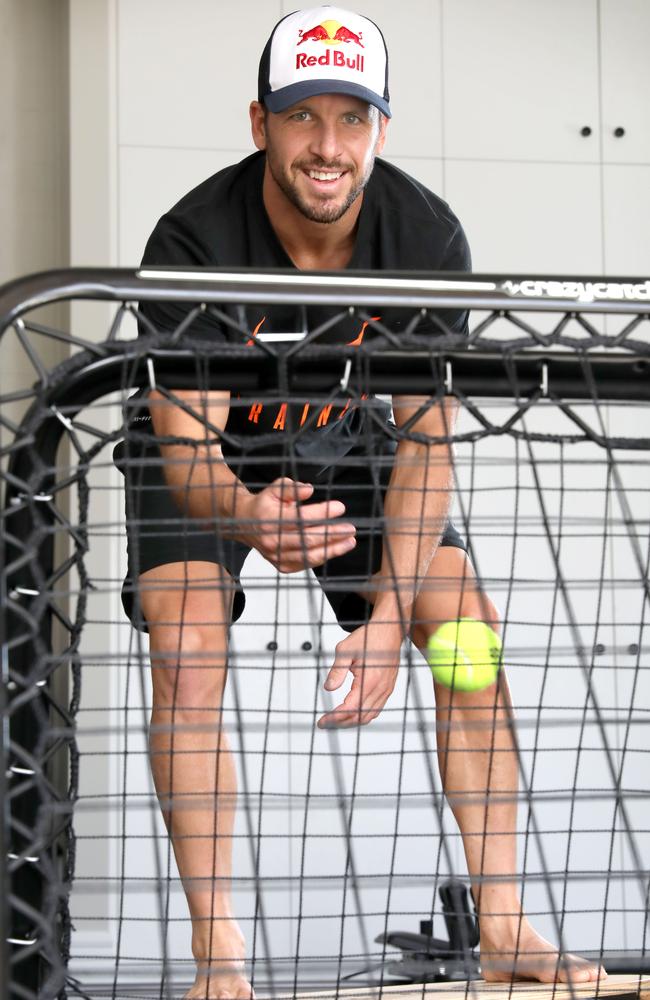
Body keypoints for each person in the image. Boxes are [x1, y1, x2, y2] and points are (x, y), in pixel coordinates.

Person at [116, 6, 605, 998]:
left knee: (465, 636)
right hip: (208, 460)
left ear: (381, 127)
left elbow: (428, 437)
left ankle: (504, 924)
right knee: (187, 648)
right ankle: (220, 958)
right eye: (304, 118)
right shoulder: (193, 238)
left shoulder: (423, 235)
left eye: (352, 118)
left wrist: (386, 617)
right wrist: (251, 515)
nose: (327, 147)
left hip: (347, 446)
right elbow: (183, 444)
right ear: (261, 124)